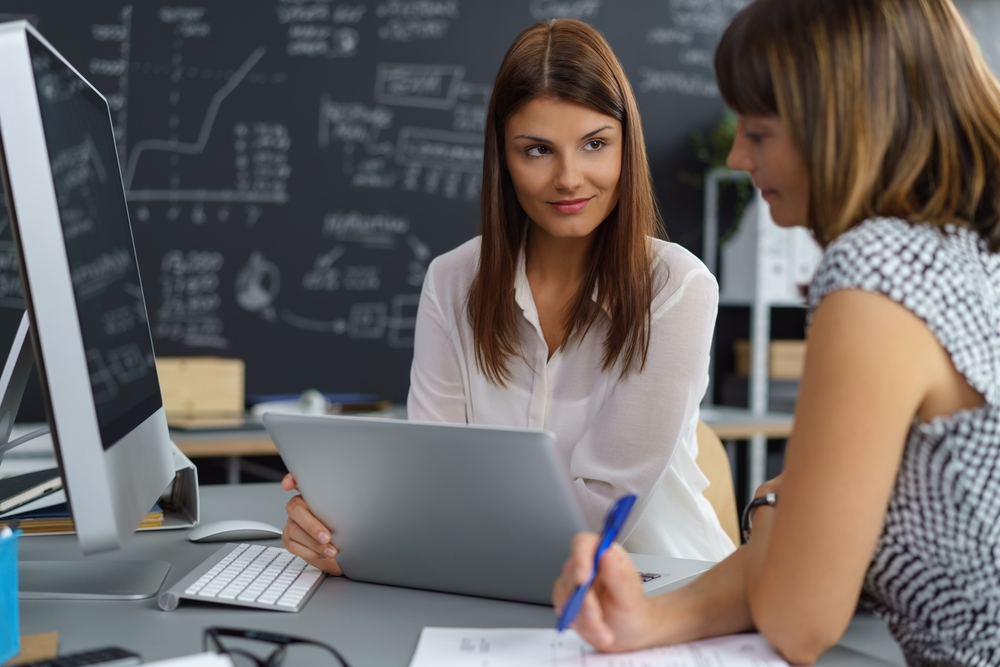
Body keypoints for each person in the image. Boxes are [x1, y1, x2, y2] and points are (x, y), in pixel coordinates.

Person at [552, 0, 1000, 664]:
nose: (736, 156)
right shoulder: (966, 249)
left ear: (848, 128)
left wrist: (769, 505)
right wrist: (645, 620)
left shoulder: (875, 273)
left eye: (758, 133)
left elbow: (797, 616)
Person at [280, 18, 735, 575]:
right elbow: (434, 476)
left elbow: (598, 515)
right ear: (503, 158)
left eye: (595, 144)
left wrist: (394, 536)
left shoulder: (678, 288)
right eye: (538, 150)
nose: (569, 178)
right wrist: (339, 531)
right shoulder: (451, 282)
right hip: (498, 589)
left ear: (626, 146)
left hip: (666, 593)